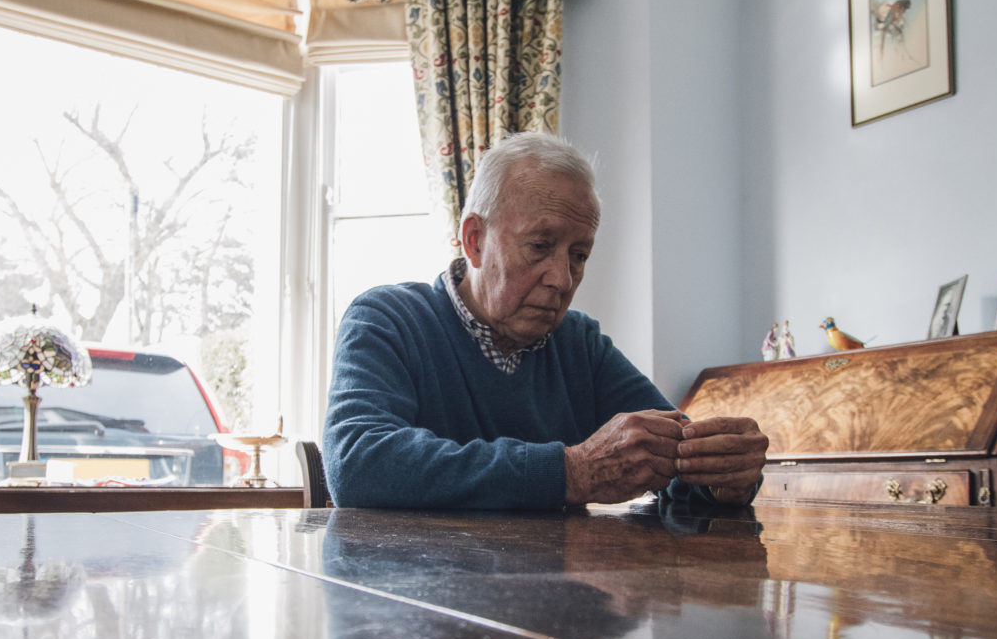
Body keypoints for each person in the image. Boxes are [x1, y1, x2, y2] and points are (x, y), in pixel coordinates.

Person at [323, 131, 769, 509]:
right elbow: (358, 464)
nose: (563, 279)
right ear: (474, 240)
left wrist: (725, 477)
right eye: (540, 246)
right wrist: (570, 472)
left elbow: (670, 462)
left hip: (553, 603)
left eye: (579, 255)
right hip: (417, 602)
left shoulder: (580, 344)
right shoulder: (387, 319)